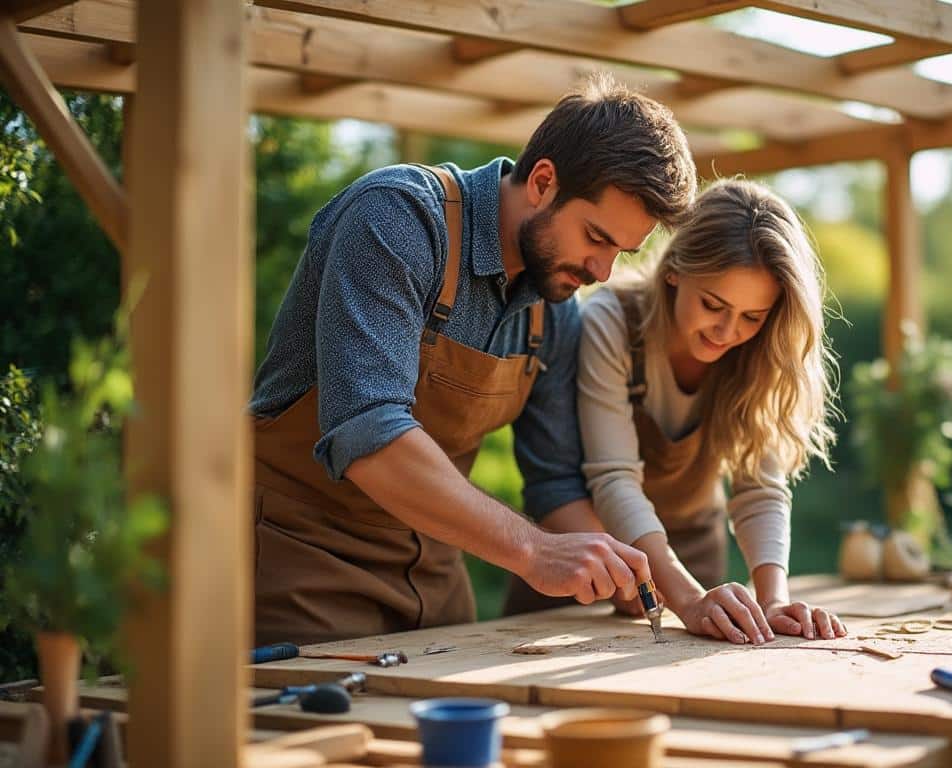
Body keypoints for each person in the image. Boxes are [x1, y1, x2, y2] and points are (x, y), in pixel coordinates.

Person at [248, 75, 698, 645]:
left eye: (621, 252)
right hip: (300, 561)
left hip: (435, 579)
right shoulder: (399, 219)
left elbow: (556, 483)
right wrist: (535, 550)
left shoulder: (554, 308)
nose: (602, 272)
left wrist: (645, 581)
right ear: (542, 181)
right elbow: (366, 431)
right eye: (596, 237)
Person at [506, 179, 847, 644]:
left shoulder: (758, 354)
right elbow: (613, 478)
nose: (727, 331)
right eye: (713, 305)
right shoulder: (613, 321)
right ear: (674, 271)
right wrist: (684, 598)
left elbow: (759, 487)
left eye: (752, 317)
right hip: (589, 564)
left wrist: (773, 600)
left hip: (694, 557)